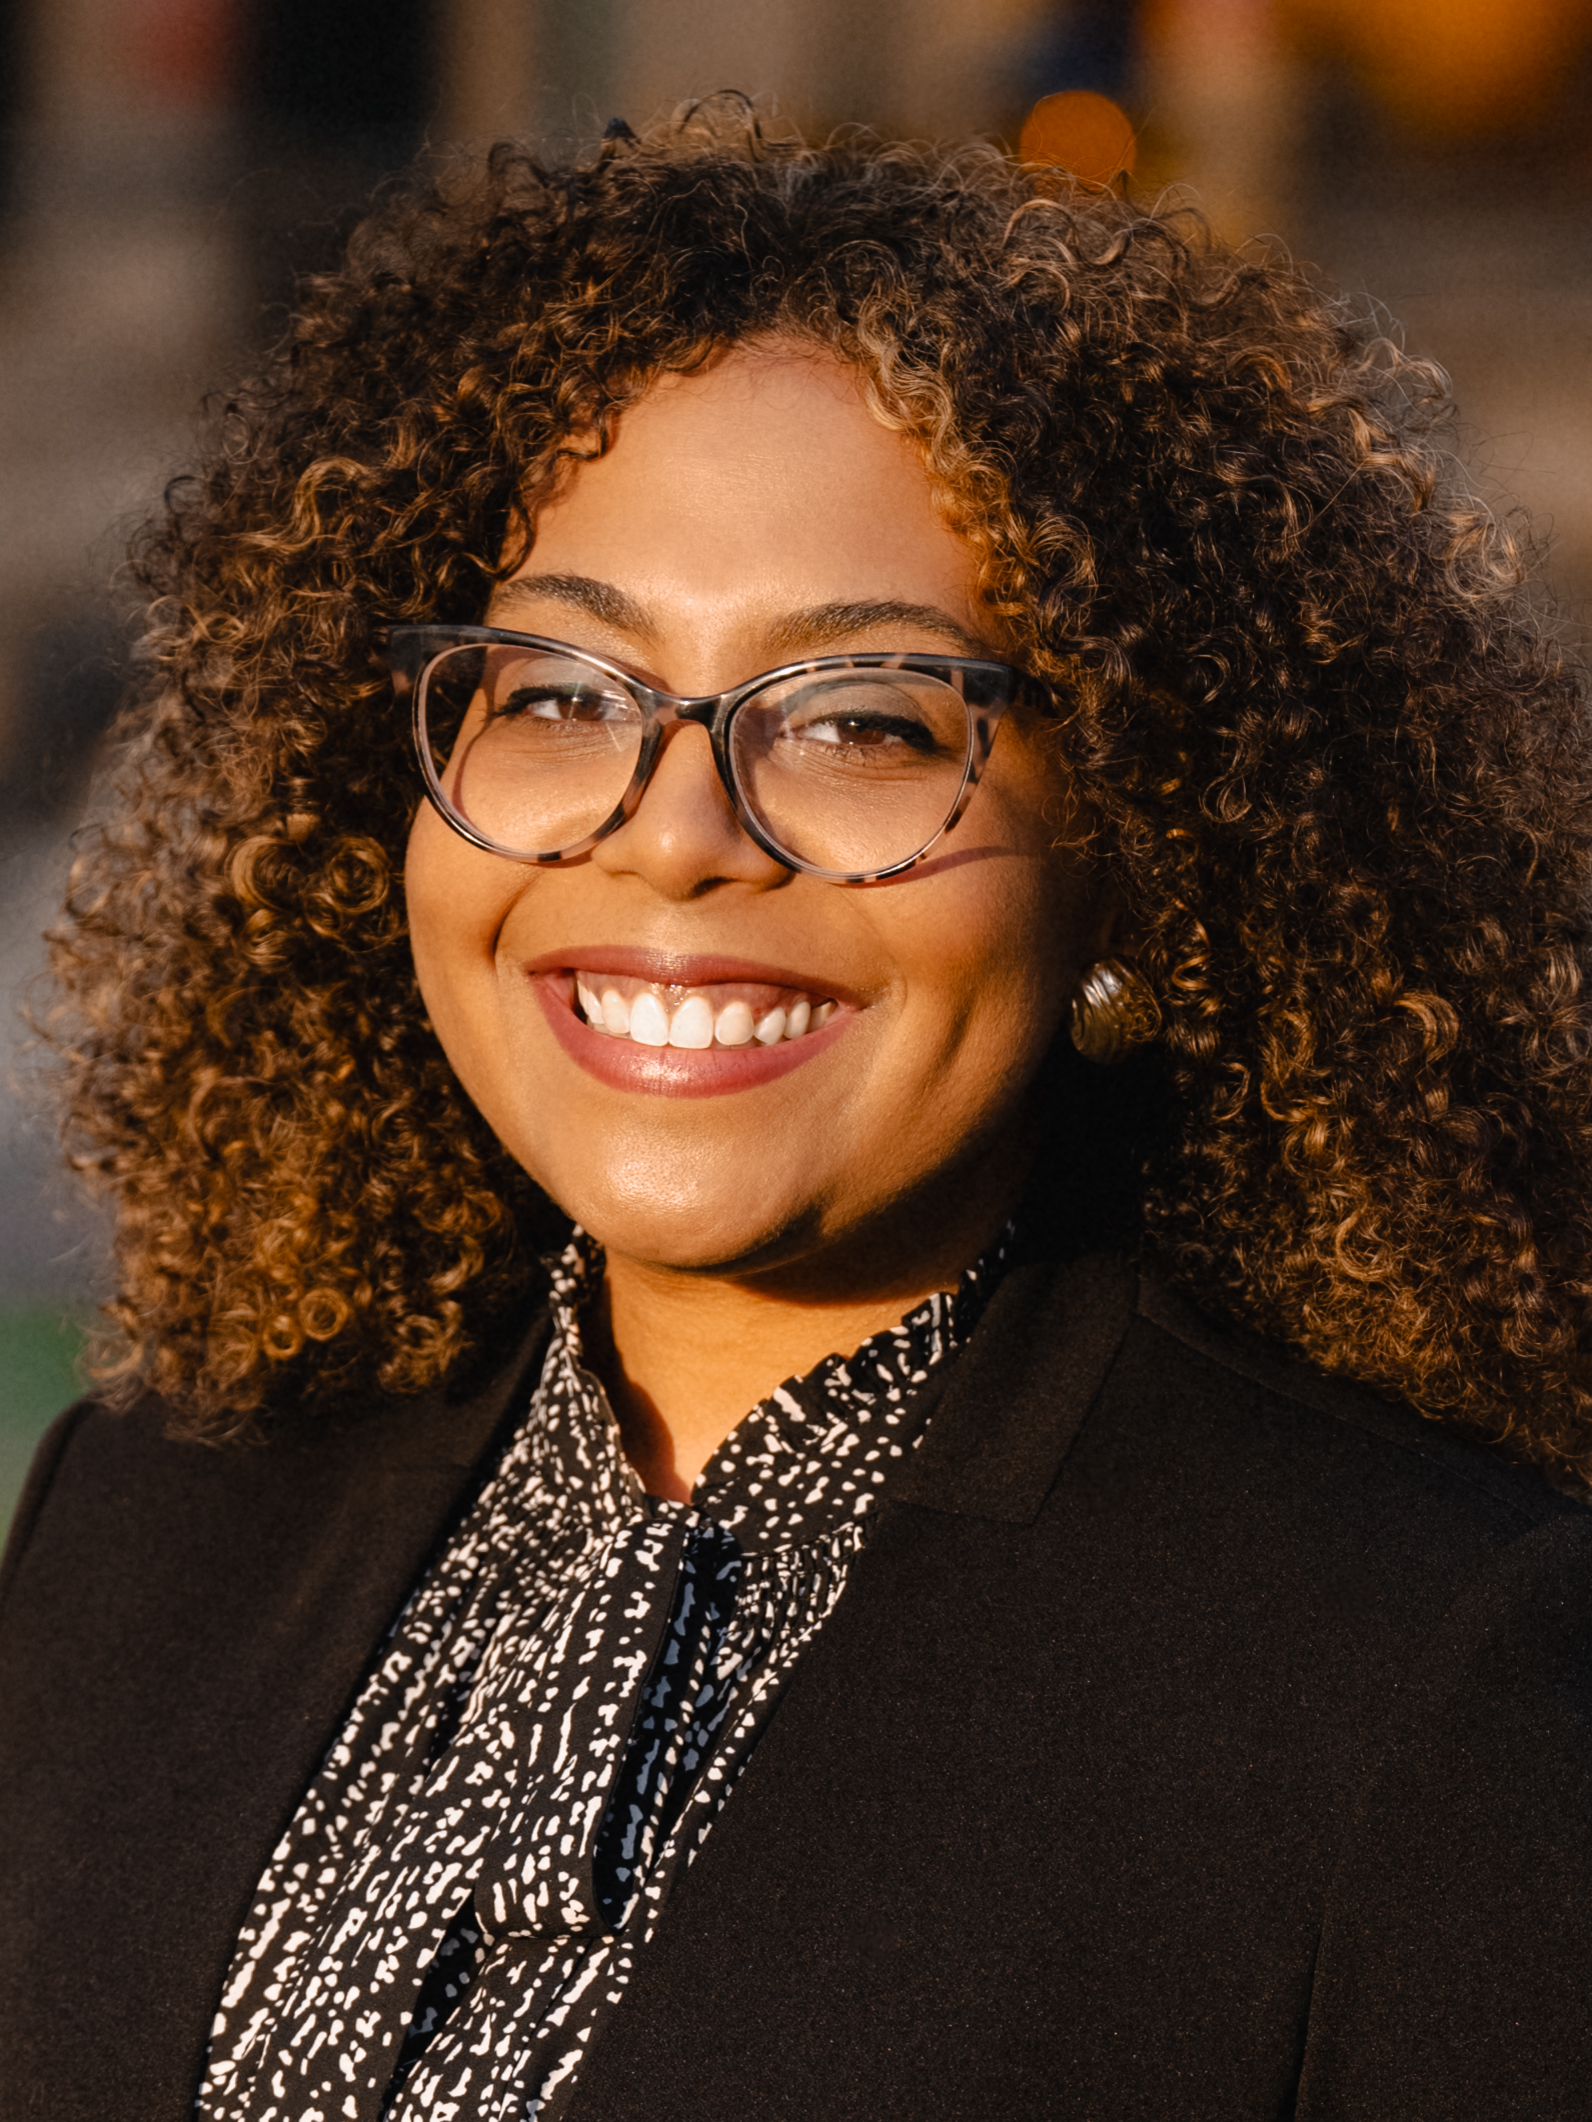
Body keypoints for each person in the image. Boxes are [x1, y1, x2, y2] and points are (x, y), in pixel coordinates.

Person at [3, 103, 1591, 2122]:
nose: (674, 837)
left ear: (1135, 841)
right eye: (558, 690)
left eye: (859, 723)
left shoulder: (1422, 1688)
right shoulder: (149, 1510)